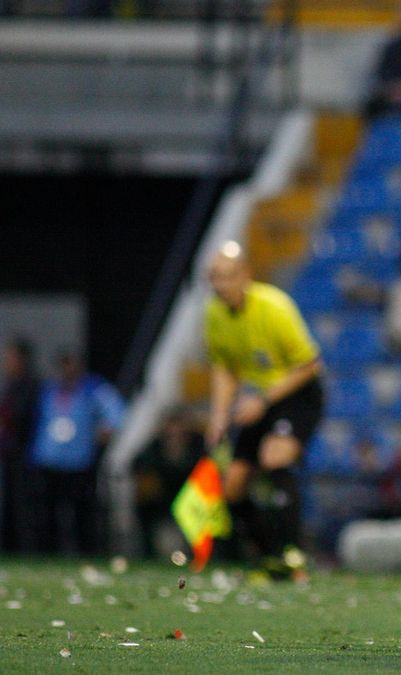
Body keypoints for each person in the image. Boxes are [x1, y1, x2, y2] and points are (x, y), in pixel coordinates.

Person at [205, 241, 324, 580]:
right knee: (234, 486)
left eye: (227, 276)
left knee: (275, 457)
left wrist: (263, 402)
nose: (220, 284)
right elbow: (224, 367)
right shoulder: (214, 314)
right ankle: (268, 556)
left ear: (245, 275)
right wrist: (218, 417)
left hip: (296, 393)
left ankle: (293, 552)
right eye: (214, 277)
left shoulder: (275, 306)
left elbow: (309, 365)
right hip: (258, 400)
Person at [28, 350, 124, 554]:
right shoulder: (48, 390)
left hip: (79, 461)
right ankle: (48, 553)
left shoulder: (92, 388)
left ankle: (85, 552)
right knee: (48, 513)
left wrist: (107, 428)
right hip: (48, 460)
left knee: (81, 513)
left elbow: (116, 410)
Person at [134, 405, 206, 558]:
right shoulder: (154, 448)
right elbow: (137, 466)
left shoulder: (198, 447)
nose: (175, 432)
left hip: (193, 509)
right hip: (163, 510)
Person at [0, 337, 39, 553]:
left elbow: (21, 419)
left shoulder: (30, 386)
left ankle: (26, 549)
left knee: (24, 506)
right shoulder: (9, 384)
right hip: (9, 454)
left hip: (24, 455)